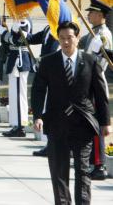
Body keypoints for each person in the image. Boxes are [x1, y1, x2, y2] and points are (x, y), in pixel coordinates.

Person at [31, 21, 110, 205]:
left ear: (77, 38)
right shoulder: (49, 62)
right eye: (62, 38)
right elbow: (38, 90)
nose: (66, 42)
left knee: (83, 171)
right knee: (59, 172)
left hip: (83, 125)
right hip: (57, 124)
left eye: (70, 38)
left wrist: (105, 122)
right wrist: (38, 116)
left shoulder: (90, 61)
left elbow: (100, 94)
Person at [79, 0, 113, 180]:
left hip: (95, 83)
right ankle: (94, 161)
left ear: (100, 15)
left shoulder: (101, 36)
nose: (88, 16)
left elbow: (88, 60)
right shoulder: (97, 34)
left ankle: (99, 165)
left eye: (91, 13)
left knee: (97, 125)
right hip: (93, 82)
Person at [26, 24, 60, 157]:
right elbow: (34, 38)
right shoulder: (48, 27)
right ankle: (49, 144)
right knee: (46, 107)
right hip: (46, 69)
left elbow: (54, 49)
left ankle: (52, 145)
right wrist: (21, 33)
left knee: (51, 108)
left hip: (53, 70)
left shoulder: (60, 26)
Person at [0, 18, 32, 137]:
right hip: (15, 61)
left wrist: (4, 33)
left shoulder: (24, 21)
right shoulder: (18, 20)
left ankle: (21, 126)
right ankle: (15, 124)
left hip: (20, 62)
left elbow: (17, 40)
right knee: (14, 95)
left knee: (19, 95)